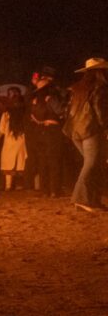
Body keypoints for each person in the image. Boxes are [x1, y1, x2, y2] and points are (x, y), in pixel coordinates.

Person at [65, 58, 108, 212]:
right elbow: (100, 112)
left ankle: (93, 199)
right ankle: (81, 199)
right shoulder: (100, 88)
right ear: (100, 72)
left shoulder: (77, 88)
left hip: (75, 130)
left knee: (95, 165)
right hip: (91, 130)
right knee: (91, 165)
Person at [28, 67, 65, 197]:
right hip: (52, 130)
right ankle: (55, 190)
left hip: (39, 130)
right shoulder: (51, 97)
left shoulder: (35, 99)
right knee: (54, 160)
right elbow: (60, 111)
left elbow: (32, 116)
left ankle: (44, 190)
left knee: (42, 161)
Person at [0, 89, 28, 191]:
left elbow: (1, 129)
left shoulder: (6, 114)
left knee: (8, 163)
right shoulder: (24, 114)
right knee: (20, 163)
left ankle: (8, 185)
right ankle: (20, 185)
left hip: (9, 140)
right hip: (21, 140)